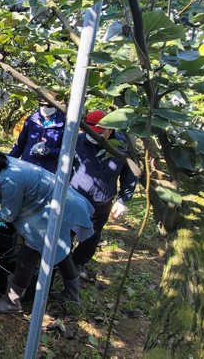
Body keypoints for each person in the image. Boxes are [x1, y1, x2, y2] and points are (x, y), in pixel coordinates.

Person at [0, 145, 94, 312]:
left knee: (26, 257)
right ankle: (72, 295)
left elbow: (8, 215)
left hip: (59, 209)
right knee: (59, 248)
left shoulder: (10, 180)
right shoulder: (3, 161)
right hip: (60, 202)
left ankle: (12, 302)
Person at [70, 110, 138, 282]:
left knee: (91, 235)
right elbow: (66, 166)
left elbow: (129, 174)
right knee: (66, 230)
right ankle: (60, 260)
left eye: (99, 133)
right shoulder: (78, 140)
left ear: (110, 130)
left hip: (102, 200)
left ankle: (78, 262)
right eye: (90, 132)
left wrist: (123, 200)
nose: (93, 136)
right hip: (75, 196)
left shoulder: (122, 146)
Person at [9, 99, 65, 173]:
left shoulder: (64, 124)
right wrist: (9, 161)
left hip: (47, 170)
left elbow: (66, 150)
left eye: (48, 105)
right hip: (27, 166)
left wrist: (50, 151)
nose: (45, 108)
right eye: (42, 105)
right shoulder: (31, 120)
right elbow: (20, 143)